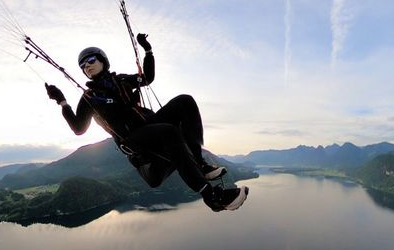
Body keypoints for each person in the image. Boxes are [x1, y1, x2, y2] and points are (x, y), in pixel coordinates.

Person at [44, 34, 248, 212]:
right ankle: (211, 196)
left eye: (90, 60)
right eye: (82, 66)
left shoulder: (122, 80)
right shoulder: (89, 98)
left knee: (185, 101)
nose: (86, 66)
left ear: (103, 60)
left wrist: (148, 50)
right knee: (169, 131)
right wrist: (62, 102)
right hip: (133, 139)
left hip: (149, 125)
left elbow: (147, 78)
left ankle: (200, 163)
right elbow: (79, 129)